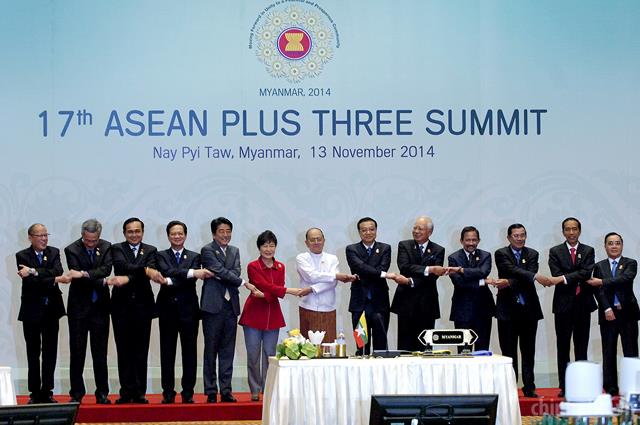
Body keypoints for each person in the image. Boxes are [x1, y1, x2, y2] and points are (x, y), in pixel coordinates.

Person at [239, 230, 303, 401]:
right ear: (259, 248)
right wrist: (288, 291)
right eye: (265, 246)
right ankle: (254, 390)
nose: (268, 249)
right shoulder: (253, 266)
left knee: (270, 354)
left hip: (272, 315)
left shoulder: (280, 266)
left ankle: (268, 388)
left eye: (271, 245)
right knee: (253, 355)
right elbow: (261, 284)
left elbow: (273, 288)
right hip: (253, 315)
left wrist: (266, 295)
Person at [156, 220, 214, 404]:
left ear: (185, 235)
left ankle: (188, 392)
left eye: (180, 233)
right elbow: (165, 270)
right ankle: (168, 392)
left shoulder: (195, 256)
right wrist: (191, 272)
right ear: (168, 236)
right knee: (167, 352)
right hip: (167, 310)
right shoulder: (160, 255)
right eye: (173, 233)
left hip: (189, 311)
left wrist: (169, 281)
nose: (177, 236)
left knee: (190, 352)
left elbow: (187, 280)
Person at [108, 217, 161, 404]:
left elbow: (149, 270)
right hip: (120, 307)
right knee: (123, 350)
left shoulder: (151, 250)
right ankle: (125, 392)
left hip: (143, 306)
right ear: (124, 233)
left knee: (141, 350)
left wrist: (135, 275)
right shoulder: (117, 249)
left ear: (142, 232)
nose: (134, 234)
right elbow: (121, 266)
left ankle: (139, 393)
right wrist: (145, 270)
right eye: (130, 231)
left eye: (137, 231)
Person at [16, 223, 70, 404]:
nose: (44, 238)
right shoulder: (22, 255)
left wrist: (33, 271)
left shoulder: (54, 252)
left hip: (51, 310)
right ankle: (34, 392)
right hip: (31, 311)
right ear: (30, 237)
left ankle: (47, 391)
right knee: (33, 352)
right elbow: (32, 283)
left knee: (50, 352)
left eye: (46, 235)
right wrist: (54, 279)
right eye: (40, 235)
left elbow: (58, 271)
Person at [492, 223, 547, 398]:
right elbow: (510, 269)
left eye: (522, 235)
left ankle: (529, 387)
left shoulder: (532, 254)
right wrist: (532, 276)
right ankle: (510, 387)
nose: (520, 238)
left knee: (528, 350)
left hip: (529, 310)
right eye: (516, 236)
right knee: (508, 352)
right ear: (509, 237)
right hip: (507, 310)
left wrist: (509, 282)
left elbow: (527, 277)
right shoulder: (501, 253)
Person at [64, 219, 112, 404]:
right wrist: (100, 279)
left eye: (94, 240)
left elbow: (106, 269)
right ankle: (76, 393)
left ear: (99, 236)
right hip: (79, 308)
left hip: (100, 307)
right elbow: (77, 275)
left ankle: (102, 392)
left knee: (100, 352)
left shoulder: (106, 246)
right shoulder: (71, 249)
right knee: (77, 351)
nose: (91, 244)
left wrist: (85, 273)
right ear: (82, 235)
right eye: (87, 240)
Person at [547, 217, 596, 397]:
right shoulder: (555, 251)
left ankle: (581, 385)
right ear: (563, 232)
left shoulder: (588, 250)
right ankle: (565, 386)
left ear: (579, 231)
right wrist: (572, 276)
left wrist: (564, 278)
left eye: (574, 229)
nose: (571, 232)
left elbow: (586, 273)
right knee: (563, 347)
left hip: (583, 305)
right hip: (563, 306)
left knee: (581, 347)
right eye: (567, 229)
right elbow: (556, 273)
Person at [345, 217, 409, 354]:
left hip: (379, 302)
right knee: (361, 345)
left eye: (371, 229)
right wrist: (383, 274)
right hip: (359, 302)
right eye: (364, 230)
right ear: (359, 232)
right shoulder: (351, 249)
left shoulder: (385, 248)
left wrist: (372, 272)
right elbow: (359, 267)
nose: (368, 232)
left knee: (381, 345)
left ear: (376, 230)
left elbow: (381, 267)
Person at [586, 232, 639, 396]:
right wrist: (607, 309)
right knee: (608, 352)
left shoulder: (630, 263)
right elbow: (598, 291)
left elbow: (625, 279)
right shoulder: (599, 266)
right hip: (608, 314)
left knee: (631, 352)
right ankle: (611, 388)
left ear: (622, 245)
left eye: (617, 243)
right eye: (610, 243)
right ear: (605, 246)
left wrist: (602, 281)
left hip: (628, 314)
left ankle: (633, 387)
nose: (614, 246)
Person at [201, 217, 244, 403]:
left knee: (228, 350)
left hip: (230, 306)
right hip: (212, 306)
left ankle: (226, 390)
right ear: (214, 234)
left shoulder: (235, 250)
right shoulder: (207, 250)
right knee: (211, 350)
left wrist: (222, 275)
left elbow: (235, 272)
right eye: (221, 231)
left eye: (228, 231)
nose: (225, 235)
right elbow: (218, 269)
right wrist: (229, 277)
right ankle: (211, 390)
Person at [391, 216, 446, 351]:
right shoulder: (404, 245)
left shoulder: (438, 249)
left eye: (420, 229)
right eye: (414, 228)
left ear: (429, 232)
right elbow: (405, 267)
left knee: (425, 346)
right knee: (405, 347)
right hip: (406, 302)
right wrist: (429, 269)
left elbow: (434, 277)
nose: (416, 231)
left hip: (427, 303)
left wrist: (410, 280)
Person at [296, 228, 357, 344]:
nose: (316, 242)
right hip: (308, 306)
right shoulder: (302, 258)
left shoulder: (332, 258)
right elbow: (311, 276)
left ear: (324, 240)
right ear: (306, 243)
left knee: (328, 346)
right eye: (312, 240)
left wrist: (311, 289)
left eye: (319, 239)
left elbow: (332, 282)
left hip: (328, 307)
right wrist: (335, 275)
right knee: (308, 348)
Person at [447, 226, 494, 351]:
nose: (471, 243)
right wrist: (482, 282)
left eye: (474, 240)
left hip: (483, 309)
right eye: (468, 240)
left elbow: (483, 271)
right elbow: (459, 283)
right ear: (461, 241)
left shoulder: (486, 255)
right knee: (463, 351)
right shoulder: (453, 258)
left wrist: (461, 270)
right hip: (462, 310)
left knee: (482, 350)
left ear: (478, 240)